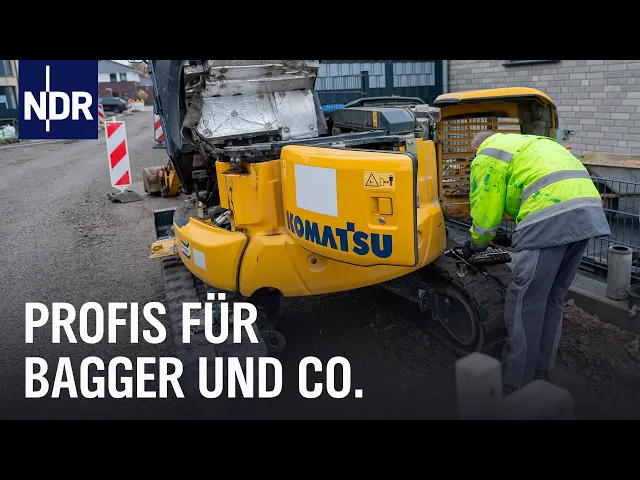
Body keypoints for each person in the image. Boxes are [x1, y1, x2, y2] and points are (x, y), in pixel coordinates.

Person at [462, 130, 611, 395]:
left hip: (550, 215)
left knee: (527, 300)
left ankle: (515, 381)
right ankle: (542, 371)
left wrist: (476, 244)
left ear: (476, 150)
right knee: (552, 297)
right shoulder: (527, 143)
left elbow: (485, 212)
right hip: (587, 213)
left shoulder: (487, 155)